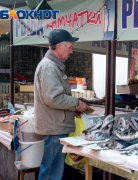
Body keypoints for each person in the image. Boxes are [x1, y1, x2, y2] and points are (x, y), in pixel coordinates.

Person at [34, 29, 90, 180]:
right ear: (59, 46)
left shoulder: (53, 66)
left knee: (54, 170)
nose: (71, 52)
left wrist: (73, 109)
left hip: (56, 126)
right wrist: (77, 104)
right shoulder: (49, 67)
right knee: (51, 172)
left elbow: (56, 98)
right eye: (69, 48)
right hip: (54, 128)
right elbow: (54, 98)